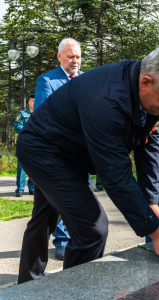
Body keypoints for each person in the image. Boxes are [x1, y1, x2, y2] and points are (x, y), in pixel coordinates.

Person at [16, 44, 159, 284]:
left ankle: (27, 284)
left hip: (73, 151)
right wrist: (155, 231)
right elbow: (115, 175)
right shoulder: (107, 100)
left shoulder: (151, 91)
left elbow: (149, 144)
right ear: (146, 82)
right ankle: (74, 292)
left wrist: (152, 203)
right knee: (91, 228)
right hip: (44, 149)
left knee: (43, 217)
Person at [34, 38, 83, 260]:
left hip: (79, 151)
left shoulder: (86, 80)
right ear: (59, 56)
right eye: (71, 56)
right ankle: (61, 241)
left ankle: (75, 237)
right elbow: (44, 118)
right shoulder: (47, 81)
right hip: (54, 151)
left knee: (77, 195)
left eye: (78, 56)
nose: (75, 60)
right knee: (53, 200)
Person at [14, 94, 35, 197]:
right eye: (32, 101)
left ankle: (32, 188)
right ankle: (20, 189)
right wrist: (29, 131)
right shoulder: (22, 114)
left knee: (34, 167)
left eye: (36, 101)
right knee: (22, 167)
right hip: (24, 144)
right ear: (29, 102)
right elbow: (17, 126)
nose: (34, 102)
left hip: (36, 144)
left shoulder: (39, 113)